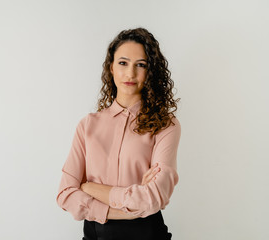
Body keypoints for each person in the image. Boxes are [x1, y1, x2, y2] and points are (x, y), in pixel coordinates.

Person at [56, 27, 181, 240]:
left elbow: (155, 197)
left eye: (140, 65)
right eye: (123, 63)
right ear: (111, 67)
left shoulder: (165, 125)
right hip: (95, 234)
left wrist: (89, 187)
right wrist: (127, 207)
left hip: (146, 234)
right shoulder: (88, 125)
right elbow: (66, 194)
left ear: (149, 72)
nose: (130, 73)